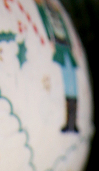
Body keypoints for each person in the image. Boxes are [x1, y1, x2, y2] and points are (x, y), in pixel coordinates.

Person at [36, 1, 80, 133]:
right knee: (67, 82)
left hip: (66, 47)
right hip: (59, 47)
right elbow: (45, 23)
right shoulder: (43, 10)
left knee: (71, 84)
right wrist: (51, 41)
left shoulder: (54, 10)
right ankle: (69, 122)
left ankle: (72, 122)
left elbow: (65, 29)